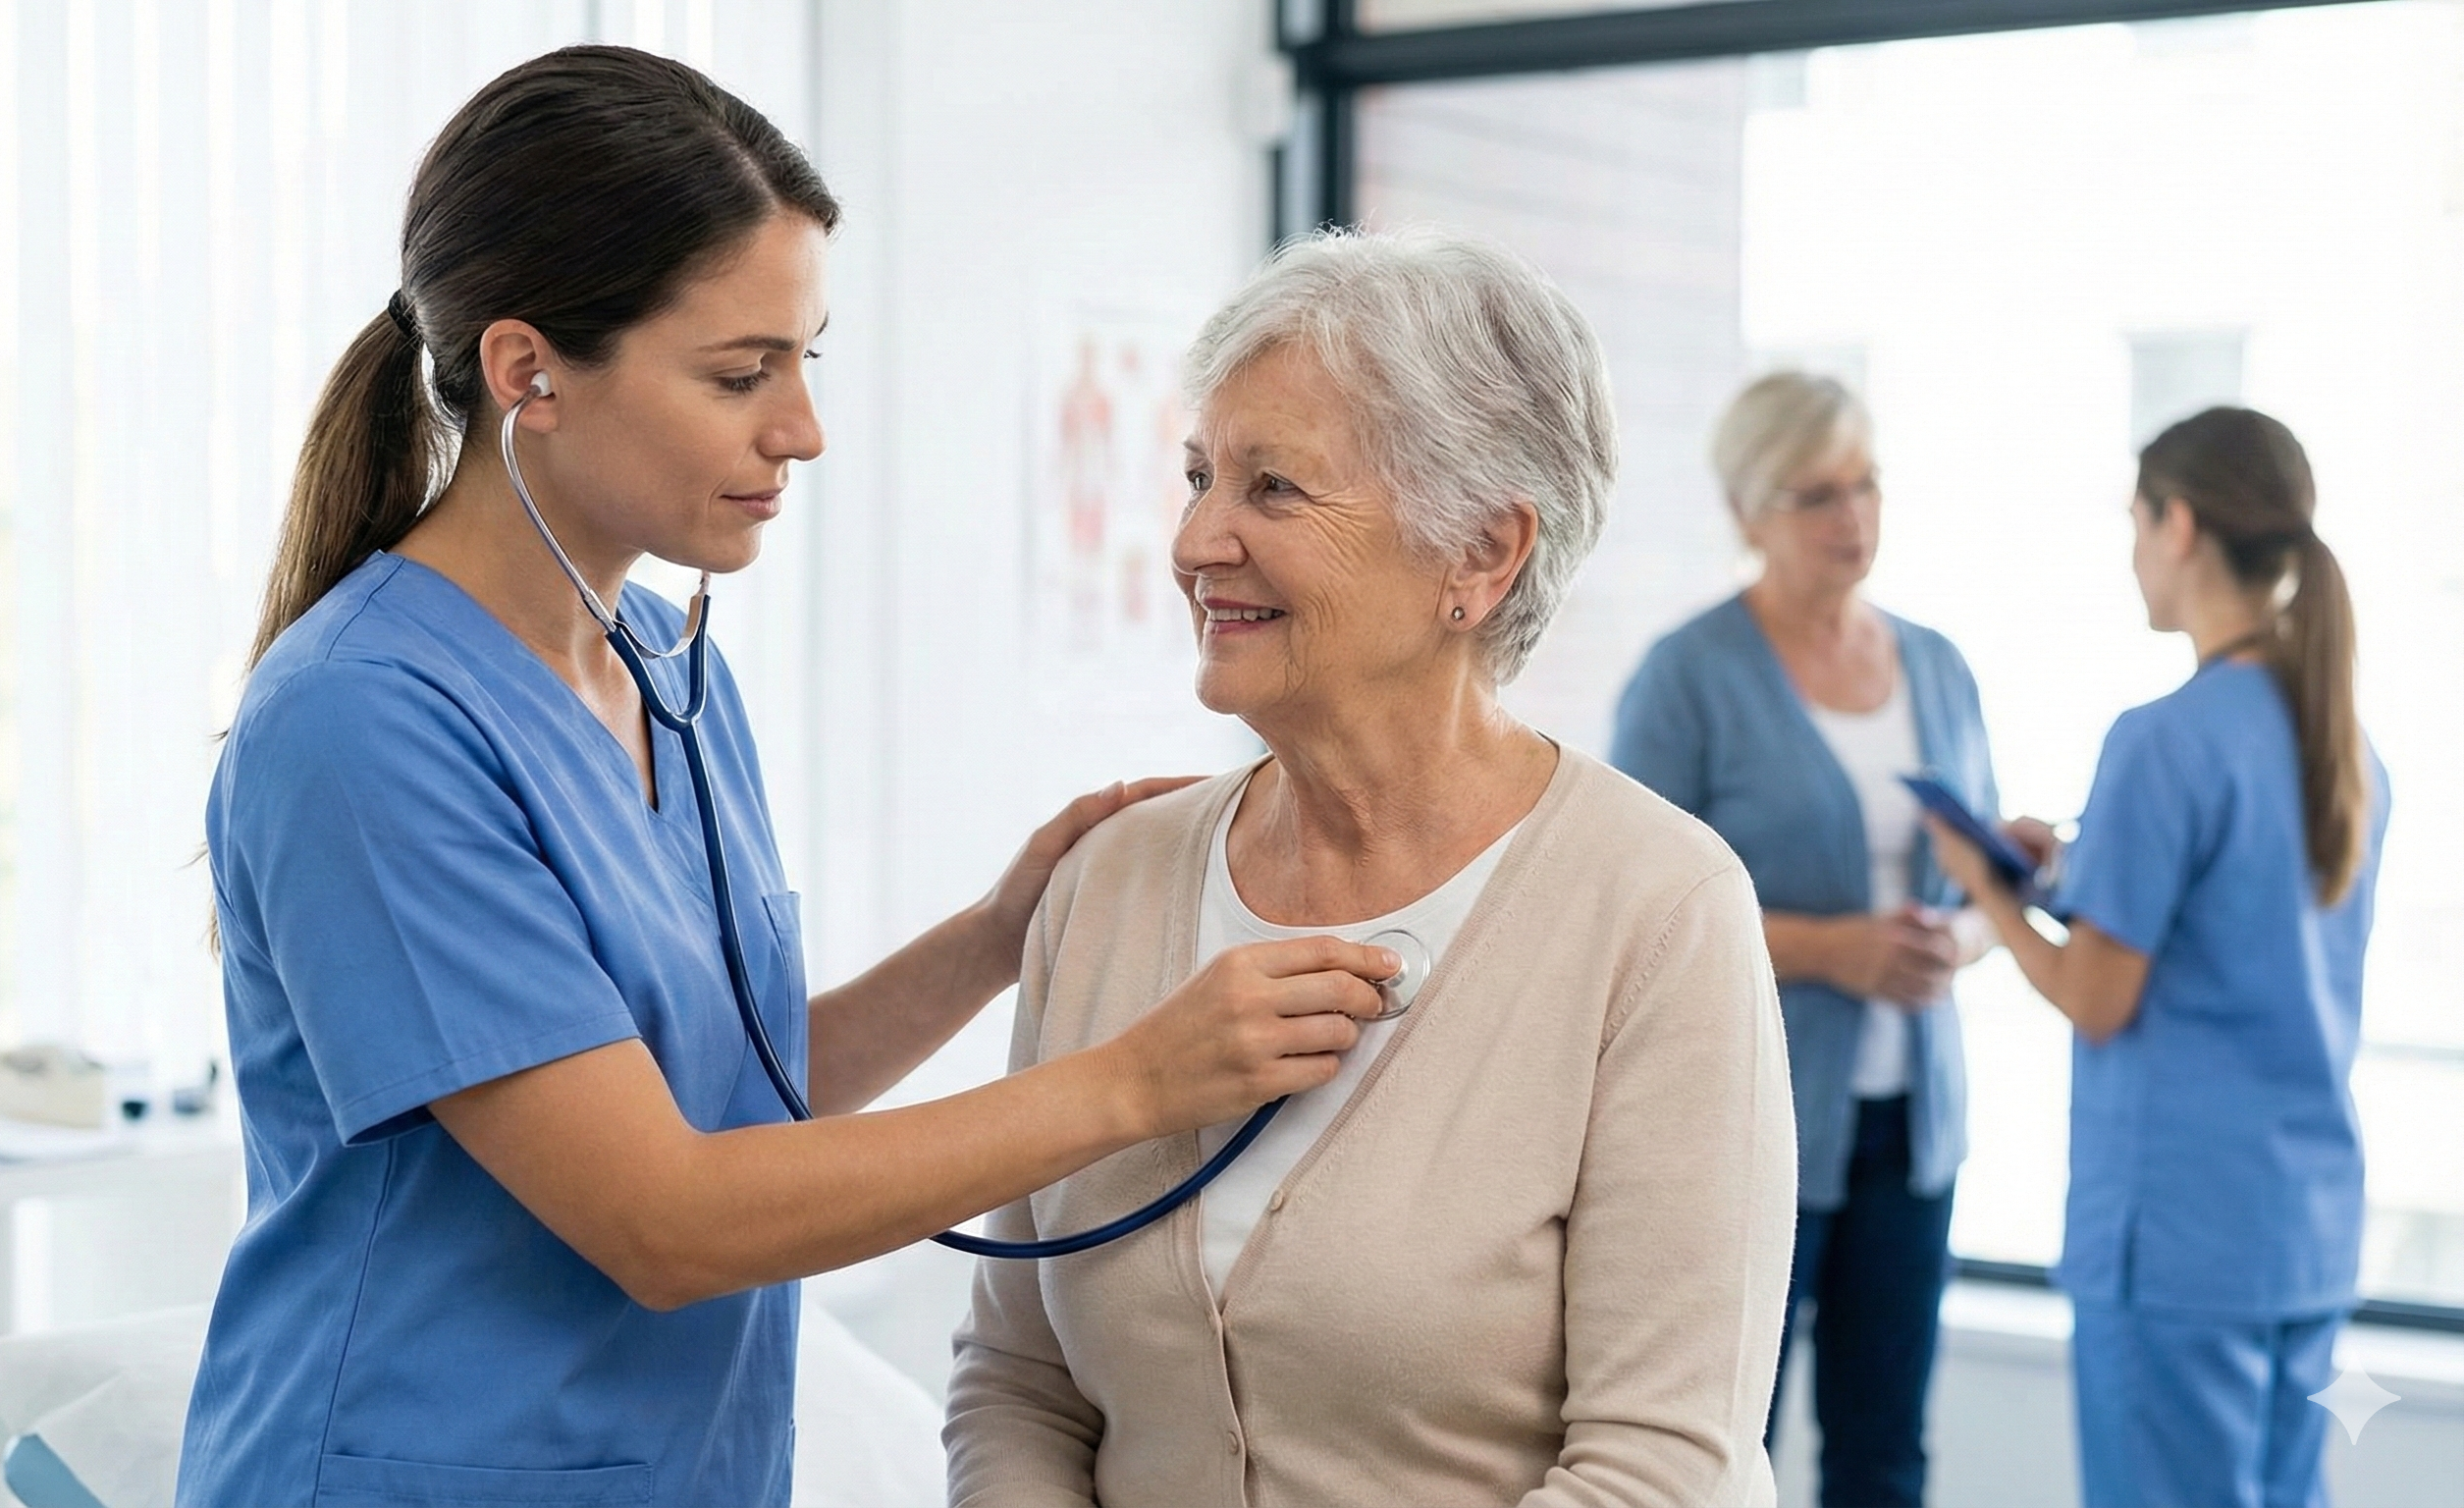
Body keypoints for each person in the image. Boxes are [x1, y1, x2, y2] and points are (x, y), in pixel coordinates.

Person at [179, 47, 1394, 1508]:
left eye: (806, 361)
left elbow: (728, 1096)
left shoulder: (662, 668)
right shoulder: (362, 725)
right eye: (741, 375)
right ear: (529, 372)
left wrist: (992, 943)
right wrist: (1143, 1078)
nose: (800, 429)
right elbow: (662, 1215)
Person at [943, 227, 1796, 1508]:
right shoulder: (1106, 885)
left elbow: (1660, 1469)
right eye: (1197, 478)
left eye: (1273, 489)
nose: (1195, 544)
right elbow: (1015, 1382)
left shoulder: (1659, 913)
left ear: (1481, 555)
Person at [1927, 406, 2388, 1508]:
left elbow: (2096, 997)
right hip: (2298, 1235)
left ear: (2176, 525)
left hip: (2177, 1245)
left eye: (2135, 521)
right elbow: (2243, 914)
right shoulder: (2341, 743)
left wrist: (1988, 884)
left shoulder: (2160, 740)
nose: (2132, 550)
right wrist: (2071, 868)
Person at [1609, 372, 1995, 1508]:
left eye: (1865, 484)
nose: (1852, 518)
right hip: (1741, 1124)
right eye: (1816, 493)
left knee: (1884, 1452)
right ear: (1745, 514)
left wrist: (1958, 939)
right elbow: (1633, 912)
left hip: (1911, 1129)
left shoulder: (1937, 666)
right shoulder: (1685, 678)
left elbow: (1980, 895)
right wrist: (1834, 950)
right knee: (1728, 1446)